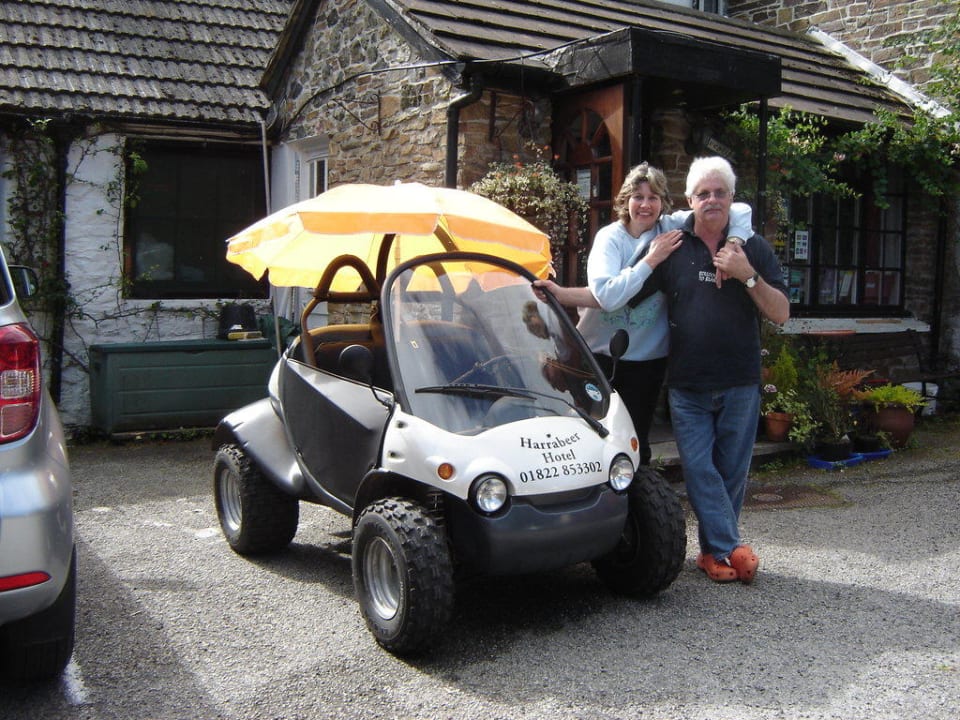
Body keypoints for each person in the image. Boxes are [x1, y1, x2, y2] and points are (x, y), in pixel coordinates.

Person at [533, 162, 753, 465]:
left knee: (636, 442)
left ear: (663, 202)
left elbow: (741, 210)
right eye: (638, 197)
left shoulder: (672, 228)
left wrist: (733, 240)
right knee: (591, 435)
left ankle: (639, 495)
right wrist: (651, 259)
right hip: (599, 357)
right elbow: (607, 296)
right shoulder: (611, 238)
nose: (645, 205)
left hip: (646, 363)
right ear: (626, 200)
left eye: (653, 197)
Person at [643, 156, 789, 585]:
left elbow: (781, 313)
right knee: (699, 469)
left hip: (740, 381)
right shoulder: (672, 245)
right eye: (703, 193)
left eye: (719, 192)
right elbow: (624, 290)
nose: (712, 200)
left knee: (731, 474)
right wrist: (567, 297)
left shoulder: (752, 248)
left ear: (731, 198)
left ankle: (712, 554)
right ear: (690, 200)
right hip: (688, 384)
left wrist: (747, 276)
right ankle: (731, 546)